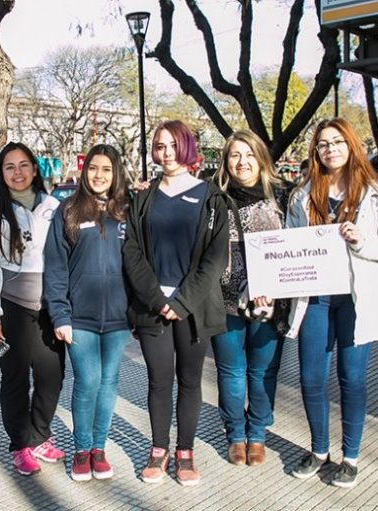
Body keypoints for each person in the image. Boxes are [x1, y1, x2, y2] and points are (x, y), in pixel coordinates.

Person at [286, 118, 378, 488]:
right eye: (323, 144)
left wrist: (363, 241)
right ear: (316, 151)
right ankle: (319, 450)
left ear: (351, 145)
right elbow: (290, 243)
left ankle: (350, 457)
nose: (331, 149)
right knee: (311, 378)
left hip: (358, 299)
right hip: (316, 298)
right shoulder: (302, 194)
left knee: (351, 378)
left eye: (338, 142)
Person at [123, 120, 229, 486]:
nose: (166, 152)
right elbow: (131, 250)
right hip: (152, 306)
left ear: (186, 147)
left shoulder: (211, 197)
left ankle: (185, 451)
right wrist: (156, 298)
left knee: (190, 380)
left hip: (194, 307)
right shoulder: (144, 196)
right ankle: (159, 449)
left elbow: (215, 258)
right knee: (158, 380)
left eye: (172, 145)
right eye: (159, 146)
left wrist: (182, 302)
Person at [0, 142, 64, 476]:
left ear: (34, 168)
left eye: (24, 164)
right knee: (15, 378)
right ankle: (20, 445)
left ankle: (40, 435)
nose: (17, 172)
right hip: (10, 308)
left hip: (49, 307)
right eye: (9, 167)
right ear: (1, 173)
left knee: (51, 375)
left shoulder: (54, 207)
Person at [44, 144, 130, 482]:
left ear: (116, 172)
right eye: (93, 168)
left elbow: (139, 263)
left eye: (106, 169)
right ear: (84, 170)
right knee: (88, 380)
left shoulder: (126, 210)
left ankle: (98, 448)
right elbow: (55, 267)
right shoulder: (69, 210)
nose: (99, 175)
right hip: (79, 316)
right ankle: (81, 449)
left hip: (119, 318)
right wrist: (60, 315)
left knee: (109, 382)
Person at [211, 130, 294, 467]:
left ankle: (257, 433)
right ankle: (235, 434)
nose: (242, 162)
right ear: (226, 161)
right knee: (231, 371)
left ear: (261, 159)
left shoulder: (283, 196)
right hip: (224, 300)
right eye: (235, 155)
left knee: (263, 372)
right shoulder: (214, 198)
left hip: (270, 301)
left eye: (249, 155)